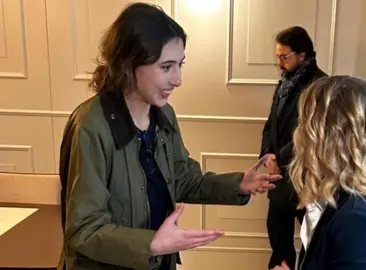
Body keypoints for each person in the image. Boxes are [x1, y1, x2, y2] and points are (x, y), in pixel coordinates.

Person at [57, 3, 281, 270]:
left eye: (179, 65)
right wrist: (150, 244)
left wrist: (238, 184)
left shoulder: (164, 116)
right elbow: (83, 228)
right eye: (166, 67)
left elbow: (182, 178)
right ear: (129, 64)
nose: (178, 79)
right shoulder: (91, 125)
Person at [271, 76, 366, 270]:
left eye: (305, 123)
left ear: (328, 138)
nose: (299, 133)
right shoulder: (349, 195)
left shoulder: (358, 220)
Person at [260, 26, 328, 270]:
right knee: (279, 241)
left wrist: (280, 157)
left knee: (314, 244)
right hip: (279, 176)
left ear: (302, 55)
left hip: (306, 179)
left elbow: (311, 132)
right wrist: (267, 156)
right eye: (277, 57)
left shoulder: (321, 85)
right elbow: (271, 124)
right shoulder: (285, 82)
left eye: (283, 57)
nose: (279, 62)